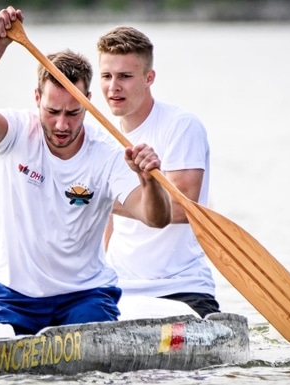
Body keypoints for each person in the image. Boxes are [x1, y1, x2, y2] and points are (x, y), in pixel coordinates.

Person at [0, 6, 171, 335]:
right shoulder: (17, 133)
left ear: (89, 102)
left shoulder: (108, 154)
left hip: (84, 296)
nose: (62, 124)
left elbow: (156, 218)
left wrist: (148, 181)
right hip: (13, 295)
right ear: (37, 98)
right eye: (52, 111)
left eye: (73, 112)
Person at [98, 26, 220, 318]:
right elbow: (107, 225)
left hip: (181, 288)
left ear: (149, 78)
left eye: (125, 76)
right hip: (119, 290)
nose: (114, 86)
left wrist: (99, 197)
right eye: (106, 76)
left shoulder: (180, 126)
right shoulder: (101, 137)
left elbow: (182, 209)